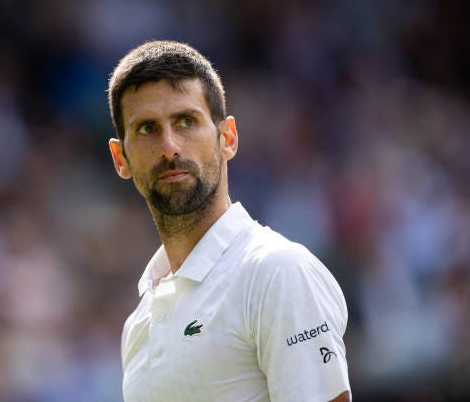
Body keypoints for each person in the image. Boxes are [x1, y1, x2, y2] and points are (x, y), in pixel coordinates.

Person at [107, 40, 351, 402]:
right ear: (120, 158)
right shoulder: (138, 323)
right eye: (147, 129)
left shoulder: (277, 272)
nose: (170, 146)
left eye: (186, 121)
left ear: (228, 138)